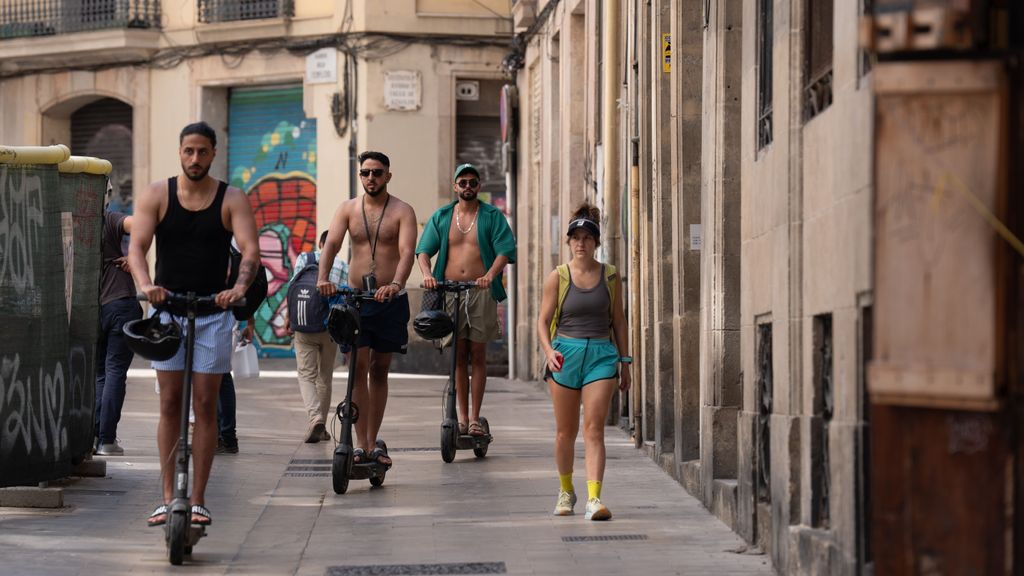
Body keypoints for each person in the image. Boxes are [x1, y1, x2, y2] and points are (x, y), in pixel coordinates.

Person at [128, 121, 260, 528]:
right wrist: (146, 285)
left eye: (202, 152)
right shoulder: (157, 194)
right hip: (167, 314)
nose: (195, 159)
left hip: (213, 314)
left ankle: (198, 499)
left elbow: (251, 252)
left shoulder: (231, 198)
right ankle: (168, 499)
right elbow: (136, 247)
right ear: (180, 151)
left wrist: (237, 289)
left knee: (205, 406)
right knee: (169, 405)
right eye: (189, 151)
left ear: (213, 153)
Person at [317, 151, 417, 468]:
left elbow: (406, 252)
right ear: (360, 176)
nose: (371, 178)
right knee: (357, 367)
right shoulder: (347, 209)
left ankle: (373, 442)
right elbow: (331, 244)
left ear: (388, 175)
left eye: (377, 172)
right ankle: (360, 445)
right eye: (365, 172)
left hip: (389, 301)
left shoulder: (402, 211)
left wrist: (397, 283)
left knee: (380, 369)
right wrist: (323, 278)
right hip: (357, 300)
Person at [536, 203, 631, 521]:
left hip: (602, 357)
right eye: (575, 237)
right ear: (568, 242)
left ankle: (594, 498)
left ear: (596, 242)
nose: (581, 243)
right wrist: (549, 352)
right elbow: (543, 320)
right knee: (565, 432)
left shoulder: (612, 276)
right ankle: (566, 491)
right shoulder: (558, 277)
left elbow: (619, 321)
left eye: (587, 237)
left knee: (594, 429)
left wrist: (626, 362)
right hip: (566, 356)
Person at [416, 163, 516, 437]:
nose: (468, 187)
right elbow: (423, 250)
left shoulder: (492, 216)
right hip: (449, 292)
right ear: (455, 186)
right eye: (463, 182)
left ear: (479, 186)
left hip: (480, 292)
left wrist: (490, 275)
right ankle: (461, 417)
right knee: (458, 356)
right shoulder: (443, 216)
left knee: (478, 354)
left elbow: (505, 250)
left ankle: (474, 418)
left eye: (473, 182)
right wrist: (427, 274)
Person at [290, 230, 349, 443]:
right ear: (337, 246)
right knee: (325, 377)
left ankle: (315, 418)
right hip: (329, 327)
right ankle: (321, 426)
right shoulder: (343, 265)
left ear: (320, 243)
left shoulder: (304, 259)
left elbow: (293, 288)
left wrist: (291, 318)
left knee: (306, 375)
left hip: (304, 326)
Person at [95, 209, 143, 456]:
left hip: (93, 310)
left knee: (100, 374)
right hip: (120, 304)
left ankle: (95, 438)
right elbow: (143, 223)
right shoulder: (109, 218)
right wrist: (135, 254)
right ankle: (106, 440)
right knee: (114, 372)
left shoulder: (69, 222)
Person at [216, 316, 253, 455]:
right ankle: (225, 437)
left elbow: (248, 294)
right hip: (220, 323)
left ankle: (224, 437)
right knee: (220, 375)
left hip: (220, 323)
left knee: (219, 375)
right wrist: (250, 323)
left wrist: (250, 323)